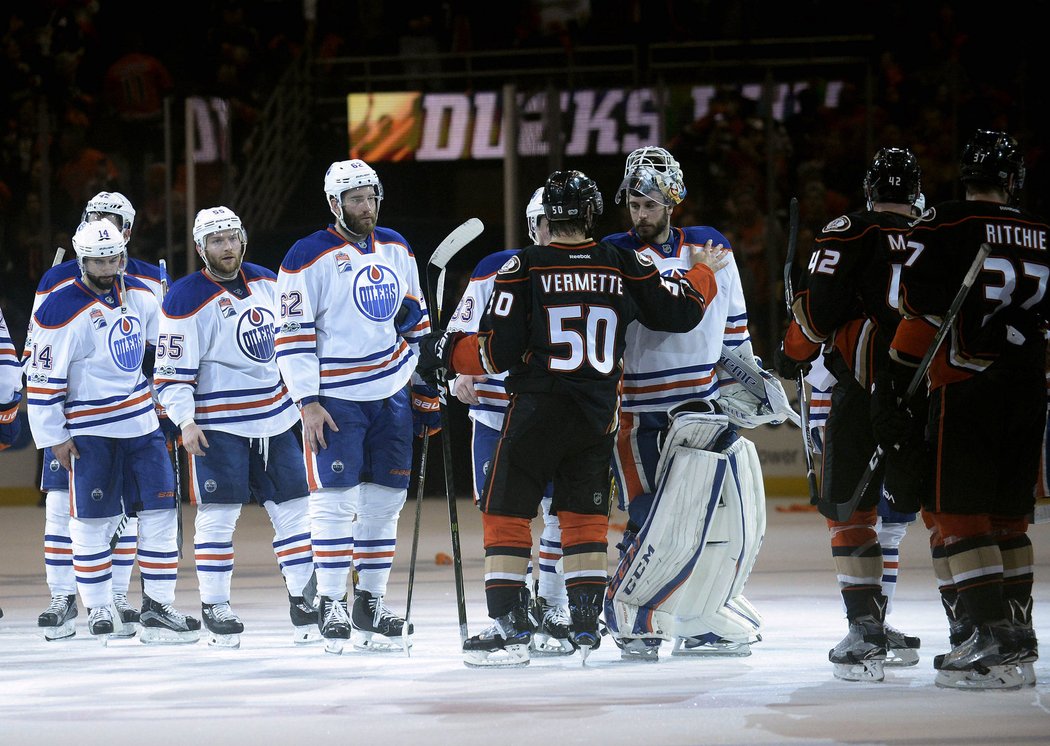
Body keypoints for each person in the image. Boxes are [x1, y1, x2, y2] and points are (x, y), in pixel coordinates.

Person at [417, 169, 728, 667]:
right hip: (597, 415)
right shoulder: (620, 261)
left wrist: (447, 351)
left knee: (507, 511)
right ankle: (584, 623)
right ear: (589, 213)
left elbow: (497, 352)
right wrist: (704, 274)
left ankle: (510, 624)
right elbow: (680, 312)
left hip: (537, 410)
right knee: (583, 515)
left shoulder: (524, 265)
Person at [880, 129, 1049, 689]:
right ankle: (1018, 629)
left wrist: (894, 389)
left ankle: (988, 634)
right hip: (1029, 390)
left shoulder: (945, 223)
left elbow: (918, 314)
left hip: (965, 386)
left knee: (959, 514)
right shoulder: (1043, 234)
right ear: (1012, 179)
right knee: (1010, 518)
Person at [602, 146, 773, 661]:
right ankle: (632, 615)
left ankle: (698, 616)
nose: (640, 215)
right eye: (634, 204)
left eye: (650, 204)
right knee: (650, 516)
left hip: (702, 405)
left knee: (717, 522)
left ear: (672, 201)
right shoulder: (615, 251)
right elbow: (664, 313)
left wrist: (748, 382)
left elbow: (735, 332)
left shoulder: (711, 244)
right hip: (641, 411)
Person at [776, 147, 926, 682]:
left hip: (864, 389)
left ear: (870, 190)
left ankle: (866, 628)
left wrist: (794, 339)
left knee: (850, 510)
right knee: (945, 516)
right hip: (932, 391)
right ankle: (980, 630)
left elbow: (817, 317)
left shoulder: (849, 230)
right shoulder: (941, 231)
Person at [275, 159, 434, 654]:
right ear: (334, 204)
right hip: (336, 399)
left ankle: (369, 601)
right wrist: (307, 401)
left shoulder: (395, 245)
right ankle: (330, 602)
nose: (366, 207)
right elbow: (292, 336)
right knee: (334, 502)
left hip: (390, 393)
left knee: (384, 503)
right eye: (356, 199)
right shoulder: (306, 256)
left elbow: (414, 317)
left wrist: (418, 374)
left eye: (371, 197)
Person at [25, 218, 199, 644]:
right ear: (82, 259)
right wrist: (54, 437)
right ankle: (99, 607)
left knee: (158, 514)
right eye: (98, 260)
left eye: (113, 258)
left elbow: (171, 344)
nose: (107, 267)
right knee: (91, 522)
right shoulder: (58, 308)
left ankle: (157, 607)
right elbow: (44, 380)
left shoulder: (141, 292)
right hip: (88, 431)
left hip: (142, 425)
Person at [154, 206, 318, 648]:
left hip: (276, 419)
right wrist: (184, 420)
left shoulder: (268, 281)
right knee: (219, 516)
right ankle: (215, 605)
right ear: (200, 247)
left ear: (242, 239)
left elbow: (296, 340)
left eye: (232, 238)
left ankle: (306, 599)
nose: (227, 247)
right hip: (217, 425)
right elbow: (170, 373)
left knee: (295, 512)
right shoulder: (184, 298)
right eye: (216, 241)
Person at [444, 187, 574, 655]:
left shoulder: (584, 268)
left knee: (559, 514)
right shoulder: (496, 268)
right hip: (498, 415)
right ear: (531, 224)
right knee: (503, 517)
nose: (548, 232)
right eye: (542, 222)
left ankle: (554, 604)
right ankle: (510, 614)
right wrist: (459, 373)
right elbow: (462, 333)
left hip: (557, 415)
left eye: (556, 223)